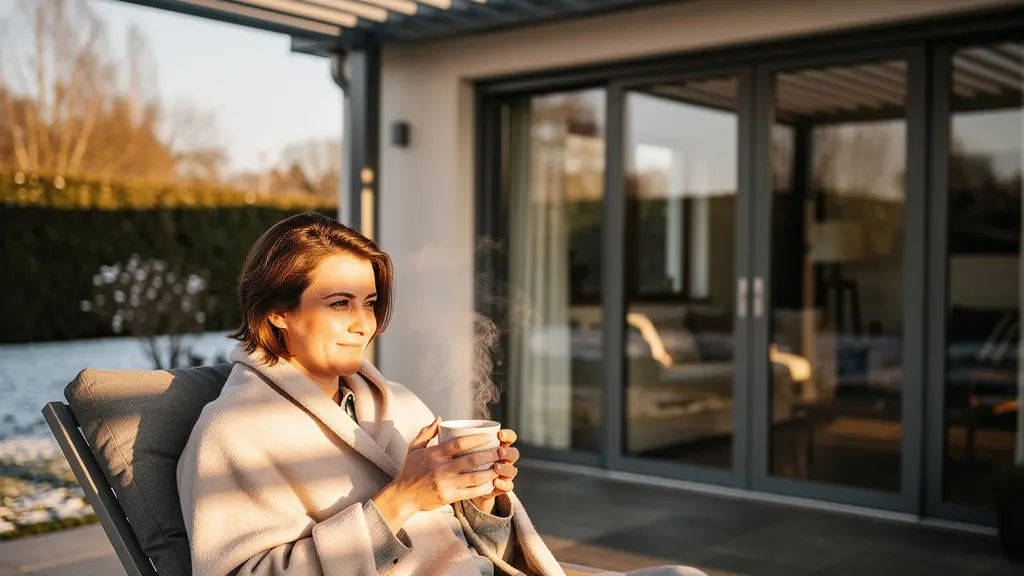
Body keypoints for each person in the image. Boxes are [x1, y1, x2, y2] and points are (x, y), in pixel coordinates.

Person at [177, 212, 706, 576]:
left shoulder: (398, 403)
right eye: (339, 303)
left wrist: (483, 503)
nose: (364, 324)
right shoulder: (235, 432)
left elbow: (477, 547)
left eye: (370, 302)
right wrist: (400, 500)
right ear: (277, 310)